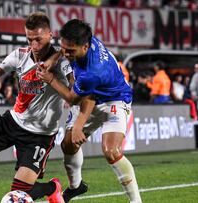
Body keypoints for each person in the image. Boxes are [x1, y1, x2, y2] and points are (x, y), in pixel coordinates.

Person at [0, 12, 72, 203]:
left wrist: (55, 70)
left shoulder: (63, 63)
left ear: (50, 35)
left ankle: (52, 187)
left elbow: (74, 93)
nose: (34, 45)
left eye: (38, 40)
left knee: (17, 195)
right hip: (12, 122)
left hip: (39, 136)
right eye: (29, 39)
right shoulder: (20, 55)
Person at [37, 19, 142, 203]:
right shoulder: (84, 40)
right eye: (65, 48)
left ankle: (136, 201)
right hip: (93, 95)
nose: (67, 54)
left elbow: (74, 98)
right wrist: (52, 60)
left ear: (85, 46)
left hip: (114, 99)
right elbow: (65, 50)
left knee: (111, 151)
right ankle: (76, 187)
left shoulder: (92, 72)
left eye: (71, 51)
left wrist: (50, 78)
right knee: (68, 144)